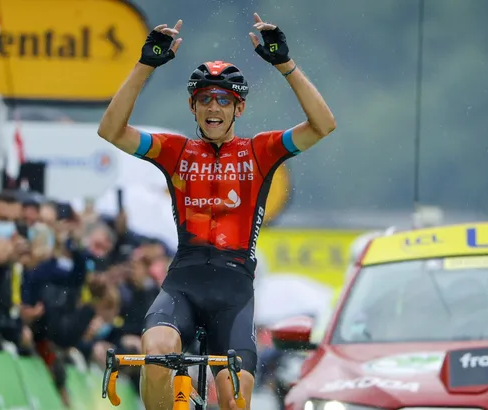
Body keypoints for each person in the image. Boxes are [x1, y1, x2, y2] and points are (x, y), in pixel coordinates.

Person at [97, 13, 336, 410]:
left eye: (224, 100)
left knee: (233, 398)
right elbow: (111, 131)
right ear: (192, 107)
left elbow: (323, 124)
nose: (214, 106)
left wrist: (285, 65)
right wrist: (145, 66)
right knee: (156, 353)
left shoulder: (259, 152)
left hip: (233, 291)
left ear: (238, 109)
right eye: (205, 99)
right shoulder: (175, 151)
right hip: (184, 283)